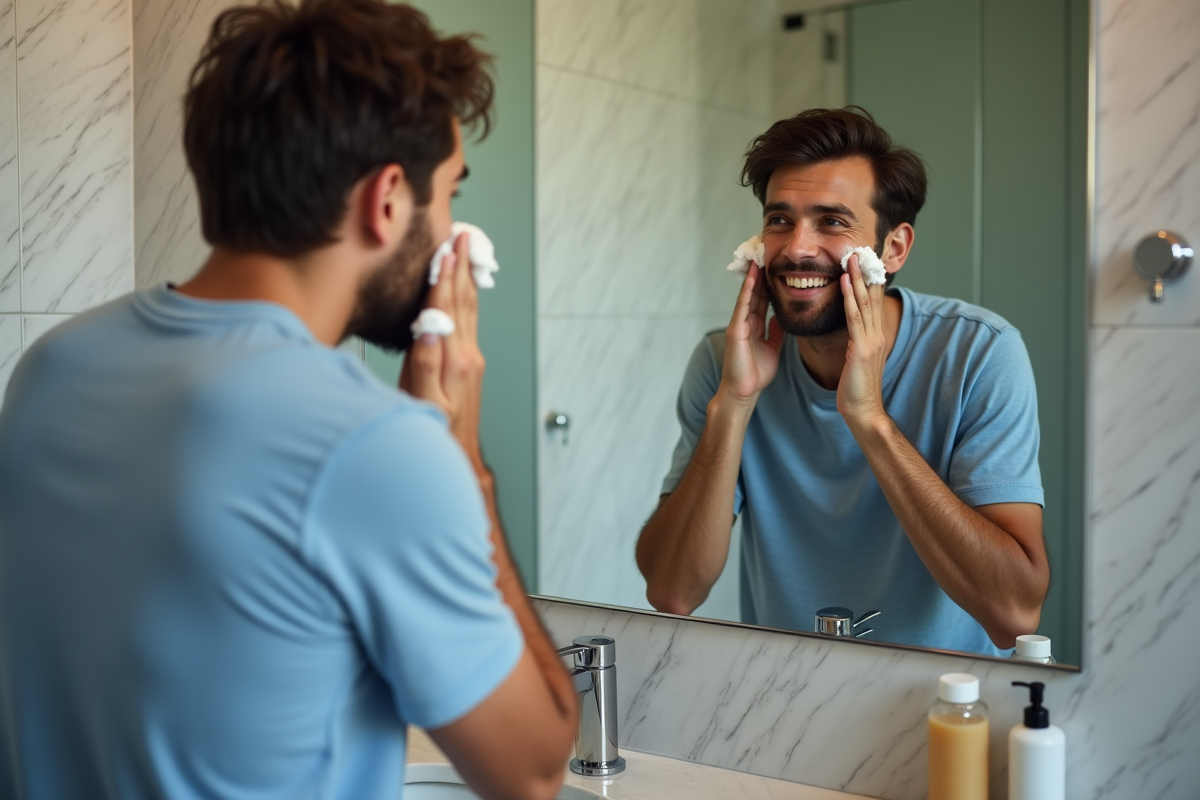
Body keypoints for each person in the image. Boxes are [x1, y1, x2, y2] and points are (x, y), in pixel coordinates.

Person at [0, 2, 577, 798]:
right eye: (448, 193)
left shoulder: (51, 368)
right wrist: (463, 466)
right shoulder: (372, 444)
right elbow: (534, 772)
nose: (452, 232)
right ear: (386, 200)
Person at [635, 107, 1049, 656]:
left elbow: (1014, 615)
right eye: (779, 220)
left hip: (944, 700)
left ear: (893, 249)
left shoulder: (979, 354)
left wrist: (869, 418)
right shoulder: (724, 364)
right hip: (784, 694)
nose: (797, 248)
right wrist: (733, 404)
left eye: (832, 222)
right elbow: (672, 591)